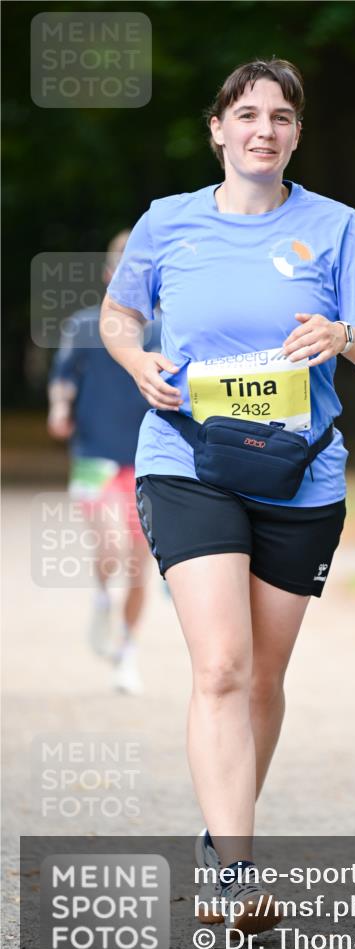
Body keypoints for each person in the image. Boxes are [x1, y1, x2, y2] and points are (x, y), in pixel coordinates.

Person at [99, 59, 355, 933]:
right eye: (245, 115)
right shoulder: (169, 223)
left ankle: (217, 838)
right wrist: (134, 358)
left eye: (279, 117)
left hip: (299, 471)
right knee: (222, 665)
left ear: (297, 134)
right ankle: (236, 869)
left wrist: (342, 333)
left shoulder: (336, 229)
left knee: (264, 677)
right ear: (218, 129)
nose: (262, 129)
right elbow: (122, 316)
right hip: (186, 458)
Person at [47, 230, 162, 695]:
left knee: (140, 564)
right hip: (95, 454)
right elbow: (62, 378)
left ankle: (127, 653)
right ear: (109, 274)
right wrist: (59, 409)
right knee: (111, 548)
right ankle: (100, 596)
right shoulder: (83, 326)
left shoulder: (166, 330)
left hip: (149, 459)